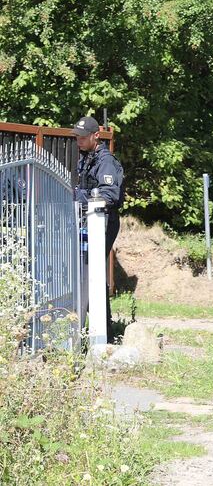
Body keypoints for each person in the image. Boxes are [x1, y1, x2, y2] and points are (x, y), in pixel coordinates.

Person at [73, 115, 124, 343]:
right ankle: (100, 328)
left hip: (103, 223)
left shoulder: (105, 161)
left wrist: (78, 197)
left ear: (96, 136)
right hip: (89, 222)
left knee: (93, 272)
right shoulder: (86, 158)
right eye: (77, 137)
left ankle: (104, 330)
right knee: (88, 272)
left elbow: (109, 195)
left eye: (83, 137)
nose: (79, 141)